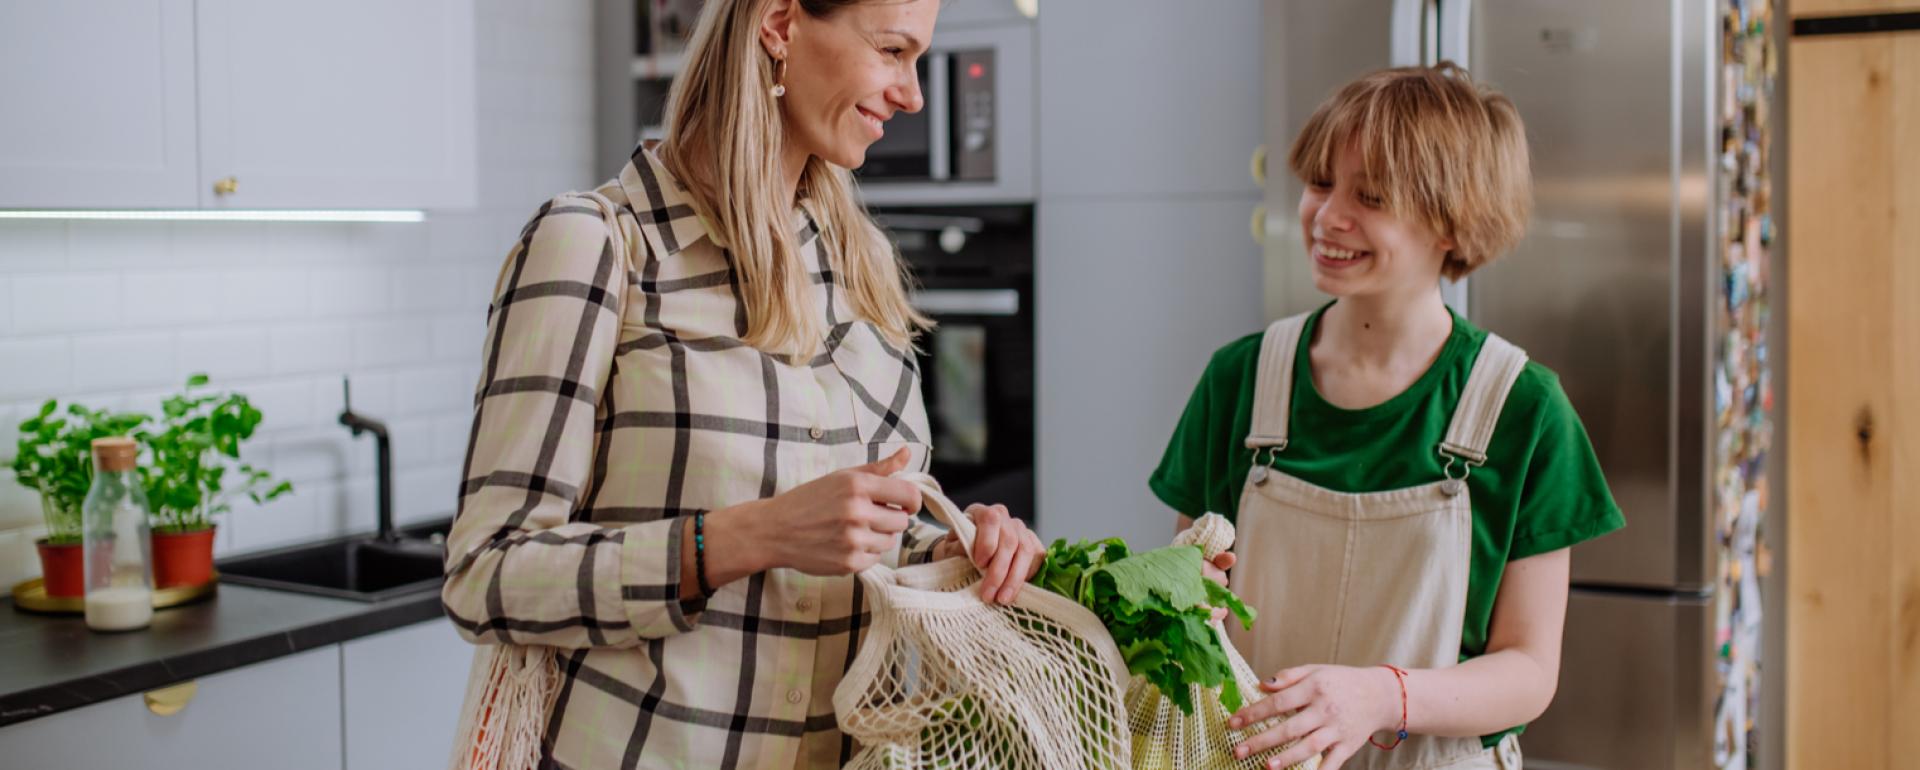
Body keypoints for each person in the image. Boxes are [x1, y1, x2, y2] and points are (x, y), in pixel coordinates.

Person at [439, 1, 1044, 767]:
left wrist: (964, 545)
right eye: (892, 50)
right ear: (781, 25)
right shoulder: (597, 245)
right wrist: (746, 537)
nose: (912, 93)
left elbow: (873, 536)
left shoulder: (860, 270)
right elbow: (484, 575)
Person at [1149, 63, 1624, 770]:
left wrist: (1383, 697)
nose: (1327, 216)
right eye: (1319, 183)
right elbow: (1185, 591)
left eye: (1371, 196)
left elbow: (1529, 669)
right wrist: (1189, 598)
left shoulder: (1523, 410)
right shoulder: (1242, 380)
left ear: (1454, 220)